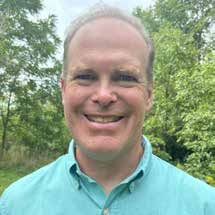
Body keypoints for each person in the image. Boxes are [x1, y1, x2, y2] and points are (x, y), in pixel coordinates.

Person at [0, 3, 214, 215]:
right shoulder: (14, 205)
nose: (103, 96)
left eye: (125, 77)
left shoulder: (204, 206)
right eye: (85, 76)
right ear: (64, 91)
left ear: (149, 94)